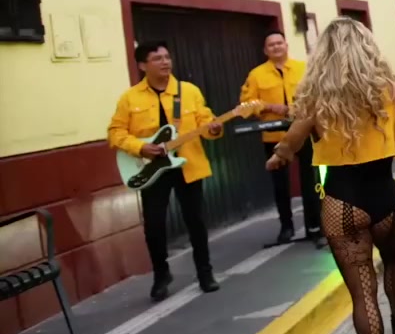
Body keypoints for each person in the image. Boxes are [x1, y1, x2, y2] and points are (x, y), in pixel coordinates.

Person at [267, 17, 395, 334]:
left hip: (341, 204)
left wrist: (279, 156)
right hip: (385, 198)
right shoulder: (392, 89)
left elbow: (292, 141)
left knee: (362, 295)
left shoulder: (316, 98)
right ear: (367, 47)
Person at [108, 40, 224, 301]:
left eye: (167, 57)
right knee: (154, 225)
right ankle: (161, 275)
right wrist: (140, 147)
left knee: (196, 221)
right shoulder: (130, 98)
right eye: (157, 58)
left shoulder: (189, 91)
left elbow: (206, 120)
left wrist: (215, 128)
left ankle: (205, 273)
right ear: (142, 65)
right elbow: (115, 133)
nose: (165, 62)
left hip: (187, 164)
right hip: (152, 169)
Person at [240, 30, 324, 248]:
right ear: (265, 50)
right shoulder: (256, 75)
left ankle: (314, 226)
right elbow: (246, 105)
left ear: (286, 45)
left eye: (279, 43)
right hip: (274, 136)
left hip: (304, 133)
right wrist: (268, 107)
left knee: (310, 182)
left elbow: (317, 94)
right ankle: (286, 227)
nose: (276, 47)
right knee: (280, 186)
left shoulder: (303, 68)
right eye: (271, 45)